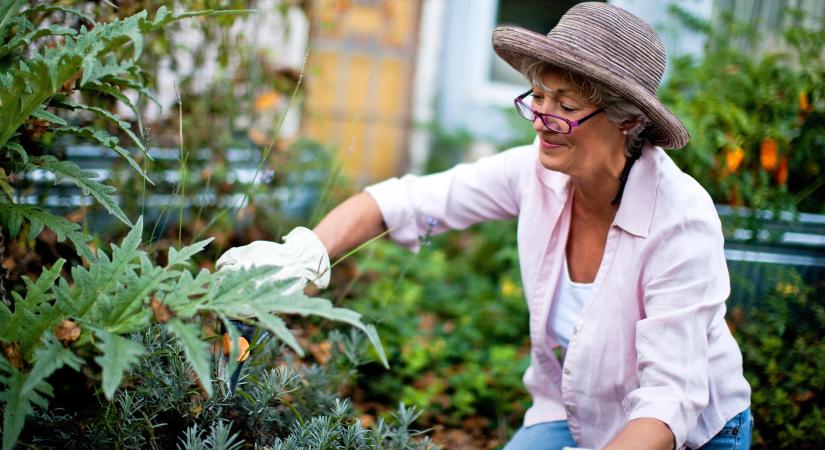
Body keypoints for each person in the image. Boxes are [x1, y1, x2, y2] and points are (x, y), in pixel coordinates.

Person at [216, 2, 752, 449]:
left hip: (690, 435)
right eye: (538, 98)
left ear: (629, 122)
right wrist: (306, 250)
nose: (542, 119)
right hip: (577, 412)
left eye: (564, 106)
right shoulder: (534, 175)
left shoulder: (681, 223)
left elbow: (669, 400)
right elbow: (400, 201)